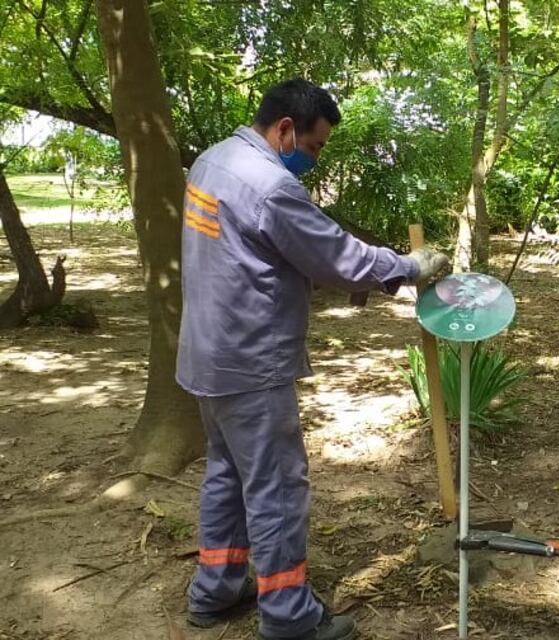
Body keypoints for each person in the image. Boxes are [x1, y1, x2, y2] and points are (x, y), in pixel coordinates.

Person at [176, 78, 448, 640]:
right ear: (284, 129)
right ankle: (288, 616)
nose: (314, 159)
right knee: (276, 487)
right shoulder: (270, 185)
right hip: (251, 364)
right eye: (315, 145)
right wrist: (409, 266)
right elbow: (337, 256)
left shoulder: (211, 161)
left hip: (207, 356)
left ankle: (216, 588)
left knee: (227, 473)